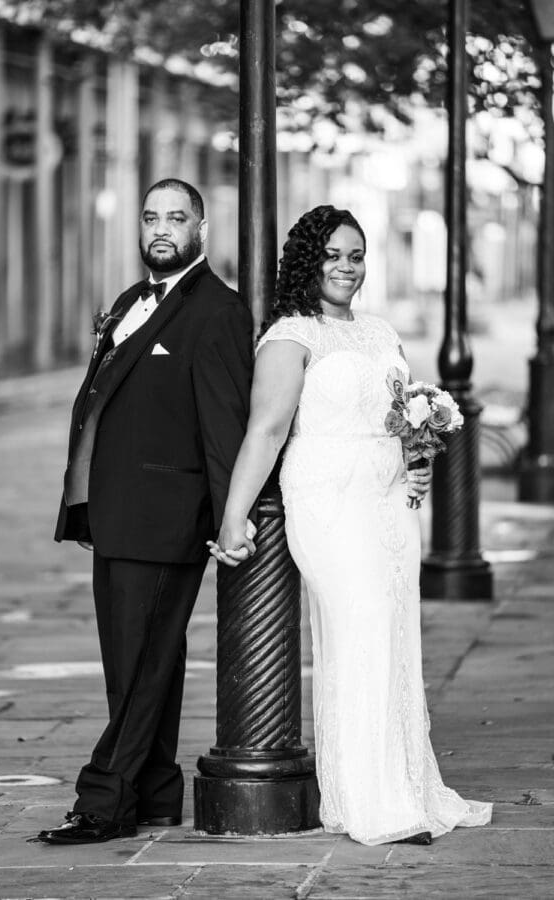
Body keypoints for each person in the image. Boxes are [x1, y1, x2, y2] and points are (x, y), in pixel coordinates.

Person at [208, 205, 492, 846]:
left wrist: (416, 459)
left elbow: (401, 415)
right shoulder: (290, 336)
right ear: (310, 261)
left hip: (390, 503)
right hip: (329, 500)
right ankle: (370, 803)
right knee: (359, 629)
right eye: (334, 255)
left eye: (356, 255)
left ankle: (406, 788)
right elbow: (267, 429)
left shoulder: (380, 332)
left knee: (394, 637)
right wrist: (233, 517)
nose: (346, 267)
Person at [38, 179, 254, 845]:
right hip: (115, 514)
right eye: (151, 216)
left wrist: (231, 518)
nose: (162, 228)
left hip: (169, 517)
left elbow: (225, 424)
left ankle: (103, 800)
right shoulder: (132, 301)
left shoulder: (218, 310)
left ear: (201, 229)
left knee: (140, 667)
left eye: (176, 217)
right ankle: (155, 793)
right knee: (130, 660)